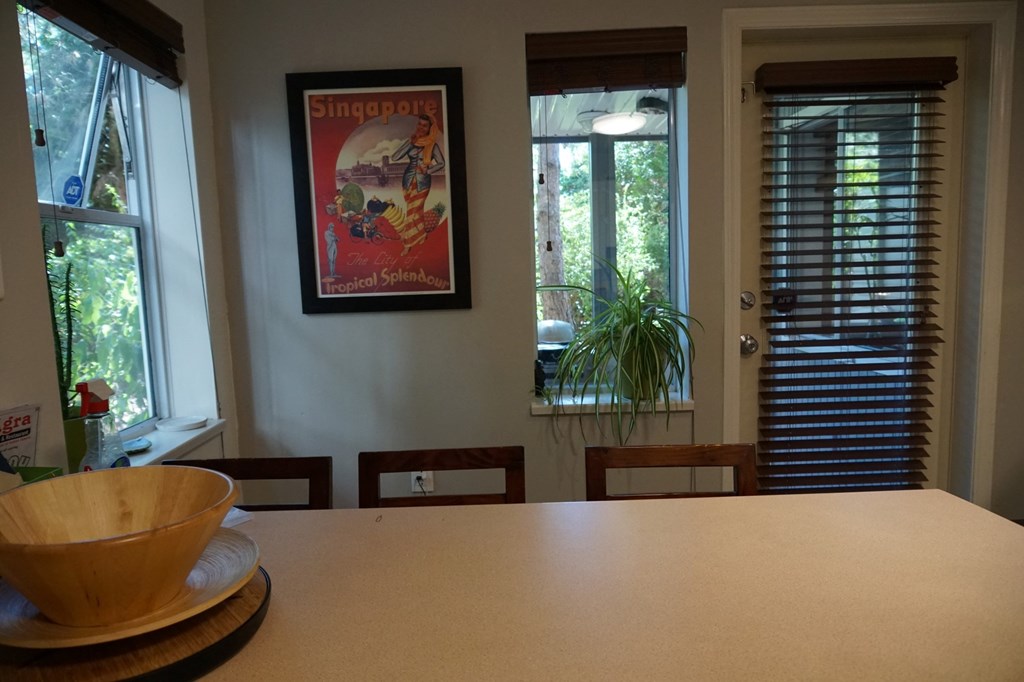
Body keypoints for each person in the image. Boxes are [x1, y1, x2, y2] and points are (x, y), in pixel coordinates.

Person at [391, 114, 445, 256]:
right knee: (416, 212)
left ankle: (408, 243)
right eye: (419, 124)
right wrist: (410, 142)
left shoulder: (432, 145)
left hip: (423, 182)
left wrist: (429, 169)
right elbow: (395, 157)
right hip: (408, 180)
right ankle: (421, 234)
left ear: (430, 128)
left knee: (412, 212)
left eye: (424, 125)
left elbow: (442, 163)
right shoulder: (412, 142)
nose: (421, 127)